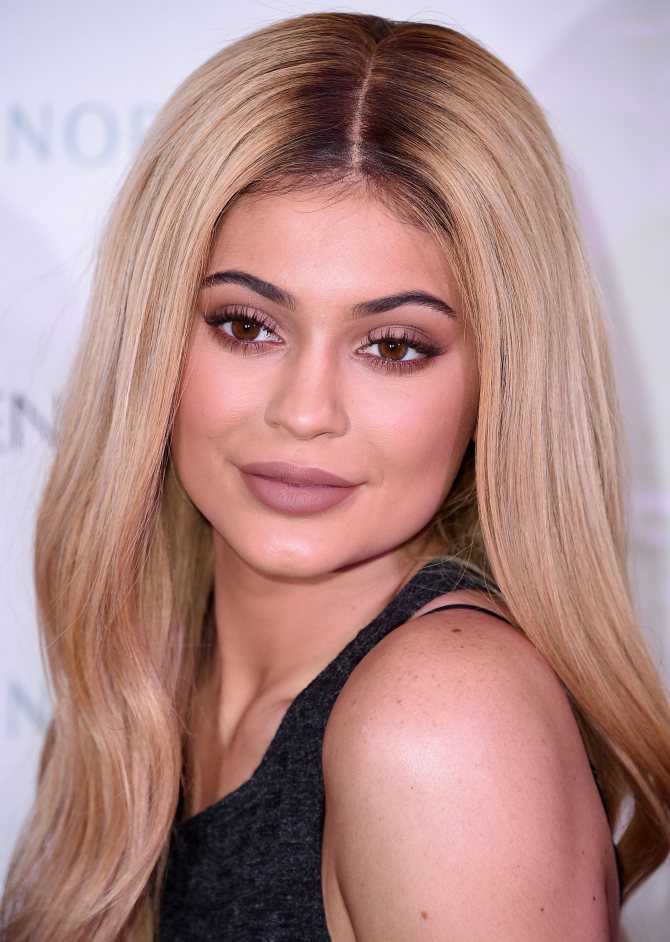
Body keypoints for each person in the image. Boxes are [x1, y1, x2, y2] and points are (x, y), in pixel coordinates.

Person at [2, 10, 669, 941]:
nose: (306, 410)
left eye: (393, 345)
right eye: (246, 326)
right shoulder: (137, 696)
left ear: (500, 380)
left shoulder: (445, 723)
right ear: (154, 338)